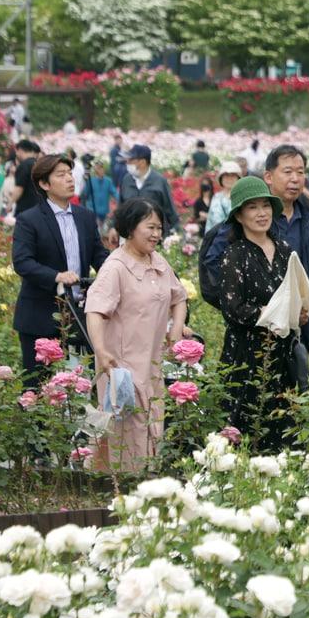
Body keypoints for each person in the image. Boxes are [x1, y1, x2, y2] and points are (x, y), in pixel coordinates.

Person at [85, 198, 191, 473]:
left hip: (151, 361)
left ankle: (140, 481)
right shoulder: (116, 266)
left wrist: (176, 330)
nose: (157, 234)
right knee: (125, 427)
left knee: (152, 421)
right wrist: (101, 350)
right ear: (130, 228)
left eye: (159, 228)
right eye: (150, 227)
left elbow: (179, 298)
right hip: (121, 364)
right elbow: (95, 311)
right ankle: (121, 486)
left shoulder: (158, 261)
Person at [218, 176, 309, 450]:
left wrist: (298, 314)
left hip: (281, 355)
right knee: (243, 429)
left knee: (283, 428)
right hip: (245, 355)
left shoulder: (284, 251)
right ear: (239, 215)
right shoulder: (235, 255)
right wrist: (273, 314)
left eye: (265, 206)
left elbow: (296, 293)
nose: (261, 213)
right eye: (253, 208)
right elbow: (232, 309)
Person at [11, 154, 109, 389]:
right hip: (40, 315)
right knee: (39, 387)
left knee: (78, 384)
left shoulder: (84, 217)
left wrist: (120, 269)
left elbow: (99, 256)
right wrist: (56, 276)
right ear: (45, 184)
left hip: (78, 315)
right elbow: (22, 262)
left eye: (70, 173)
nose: (69, 179)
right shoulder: (30, 219)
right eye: (61, 175)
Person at [265, 145, 309, 357]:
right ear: (269, 177)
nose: (296, 178)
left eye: (300, 172)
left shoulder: (306, 220)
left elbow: (307, 275)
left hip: (299, 323)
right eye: (288, 172)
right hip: (263, 323)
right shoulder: (257, 218)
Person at [118, 144, 177, 230]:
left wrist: (174, 232)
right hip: (129, 235)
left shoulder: (159, 181)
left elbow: (169, 210)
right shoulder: (126, 180)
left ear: (142, 162)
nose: (127, 163)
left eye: (130, 160)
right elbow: (120, 208)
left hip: (153, 236)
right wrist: (115, 227)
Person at [205, 162, 241, 233]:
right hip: (218, 238)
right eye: (226, 175)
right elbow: (210, 221)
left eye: (233, 175)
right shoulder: (216, 197)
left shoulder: (242, 197)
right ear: (221, 178)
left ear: (238, 178)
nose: (229, 179)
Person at [11, 140, 43, 218]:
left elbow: (19, 188)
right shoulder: (38, 164)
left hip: (25, 208)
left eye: (17, 151)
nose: (16, 154)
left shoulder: (24, 166)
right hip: (37, 207)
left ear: (20, 150)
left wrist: (10, 204)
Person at [82, 159, 117, 224]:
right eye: (98, 168)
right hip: (93, 211)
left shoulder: (108, 181)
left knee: (104, 232)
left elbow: (115, 193)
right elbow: (85, 194)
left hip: (105, 212)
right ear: (95, 170)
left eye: (101, 168)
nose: (100, 170)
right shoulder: (91, 181)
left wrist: (120, 202)